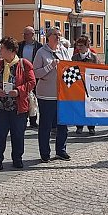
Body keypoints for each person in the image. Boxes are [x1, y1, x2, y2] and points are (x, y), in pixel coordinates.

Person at [0, 36, 36, 170]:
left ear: (11, 50)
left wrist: (19, 91)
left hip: (18, 107)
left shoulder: (24, 64)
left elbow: (32, 82)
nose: (0, 51)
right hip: (0, 106)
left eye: (2, 48)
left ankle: (17, 158)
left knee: (18, 134)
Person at [33, 26, 71, 161]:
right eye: (55, 34)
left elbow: (70, 69)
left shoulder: (64, 51)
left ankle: (61, 150)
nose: (58, 37)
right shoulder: (41, 52)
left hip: (62, 94)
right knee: (46, 125)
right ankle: (45, 153)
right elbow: (35, 72)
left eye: (59, 34)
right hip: (46, 94)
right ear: (48, 36)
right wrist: (50, 66)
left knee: (63, 124)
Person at [72, 35, 99, 135]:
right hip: (79, 86)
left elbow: (97, 71)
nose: (79, 48)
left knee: (90, 106)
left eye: (81, 45)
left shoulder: (93, 57)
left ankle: (91, 127)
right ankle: (79, 126)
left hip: (90, 86)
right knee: (79, 106)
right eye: (77, 45)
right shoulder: (75, 57)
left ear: (87, 46)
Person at [18, 26, 41, 128]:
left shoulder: (39, 46)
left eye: (27, 34)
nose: (25, 36)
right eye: (24, 34)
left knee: (34, 97)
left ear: (32, 35)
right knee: (24, 95)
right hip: (22, 73)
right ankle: (23, 118)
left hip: (34, 73)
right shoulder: (20, 45)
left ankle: (33, 120)